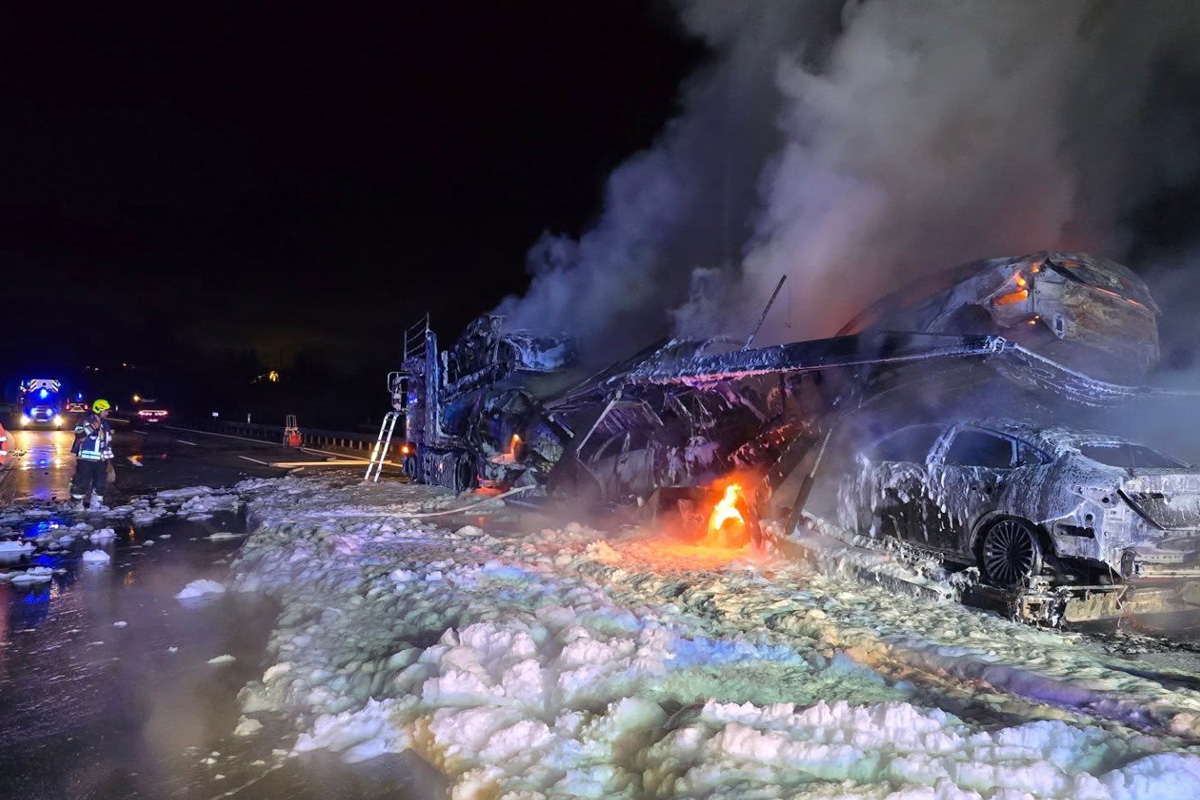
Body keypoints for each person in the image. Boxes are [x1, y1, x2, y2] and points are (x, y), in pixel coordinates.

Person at [70, 399, 114, 510]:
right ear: (98, 410)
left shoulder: (105, 425)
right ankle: (76, 505)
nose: (107, 413)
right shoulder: (85, 420)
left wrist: (108, 462)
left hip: (101, 461)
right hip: (85, 460)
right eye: (105, 410)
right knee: (82, 483)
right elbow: (79, 435)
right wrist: (93, 426)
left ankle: (97, 505)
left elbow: (106, 444)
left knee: (100, 484)